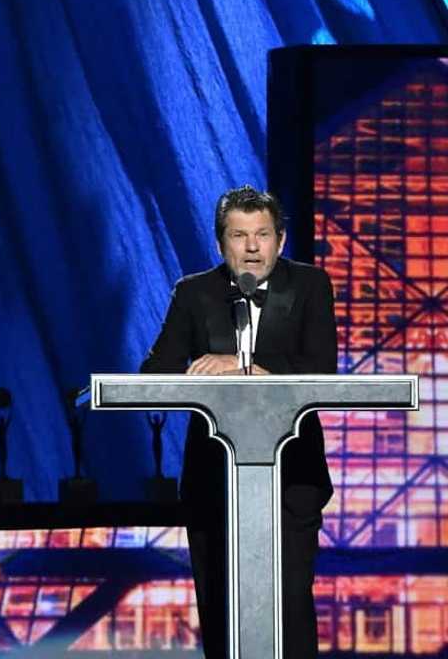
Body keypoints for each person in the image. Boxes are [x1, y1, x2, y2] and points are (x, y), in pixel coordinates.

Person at [140, 185, 336, 659]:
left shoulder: (310, 286)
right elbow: (153, 375)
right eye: (239, 235)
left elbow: (323, 372)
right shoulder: (194, 293)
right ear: (221, 243)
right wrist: (194, 371)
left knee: (288, 609)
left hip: (291, 479)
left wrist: (246, 367)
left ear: (281, 240)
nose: (252, 247)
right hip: (213, 481)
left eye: (262, 235)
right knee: (221, 610)